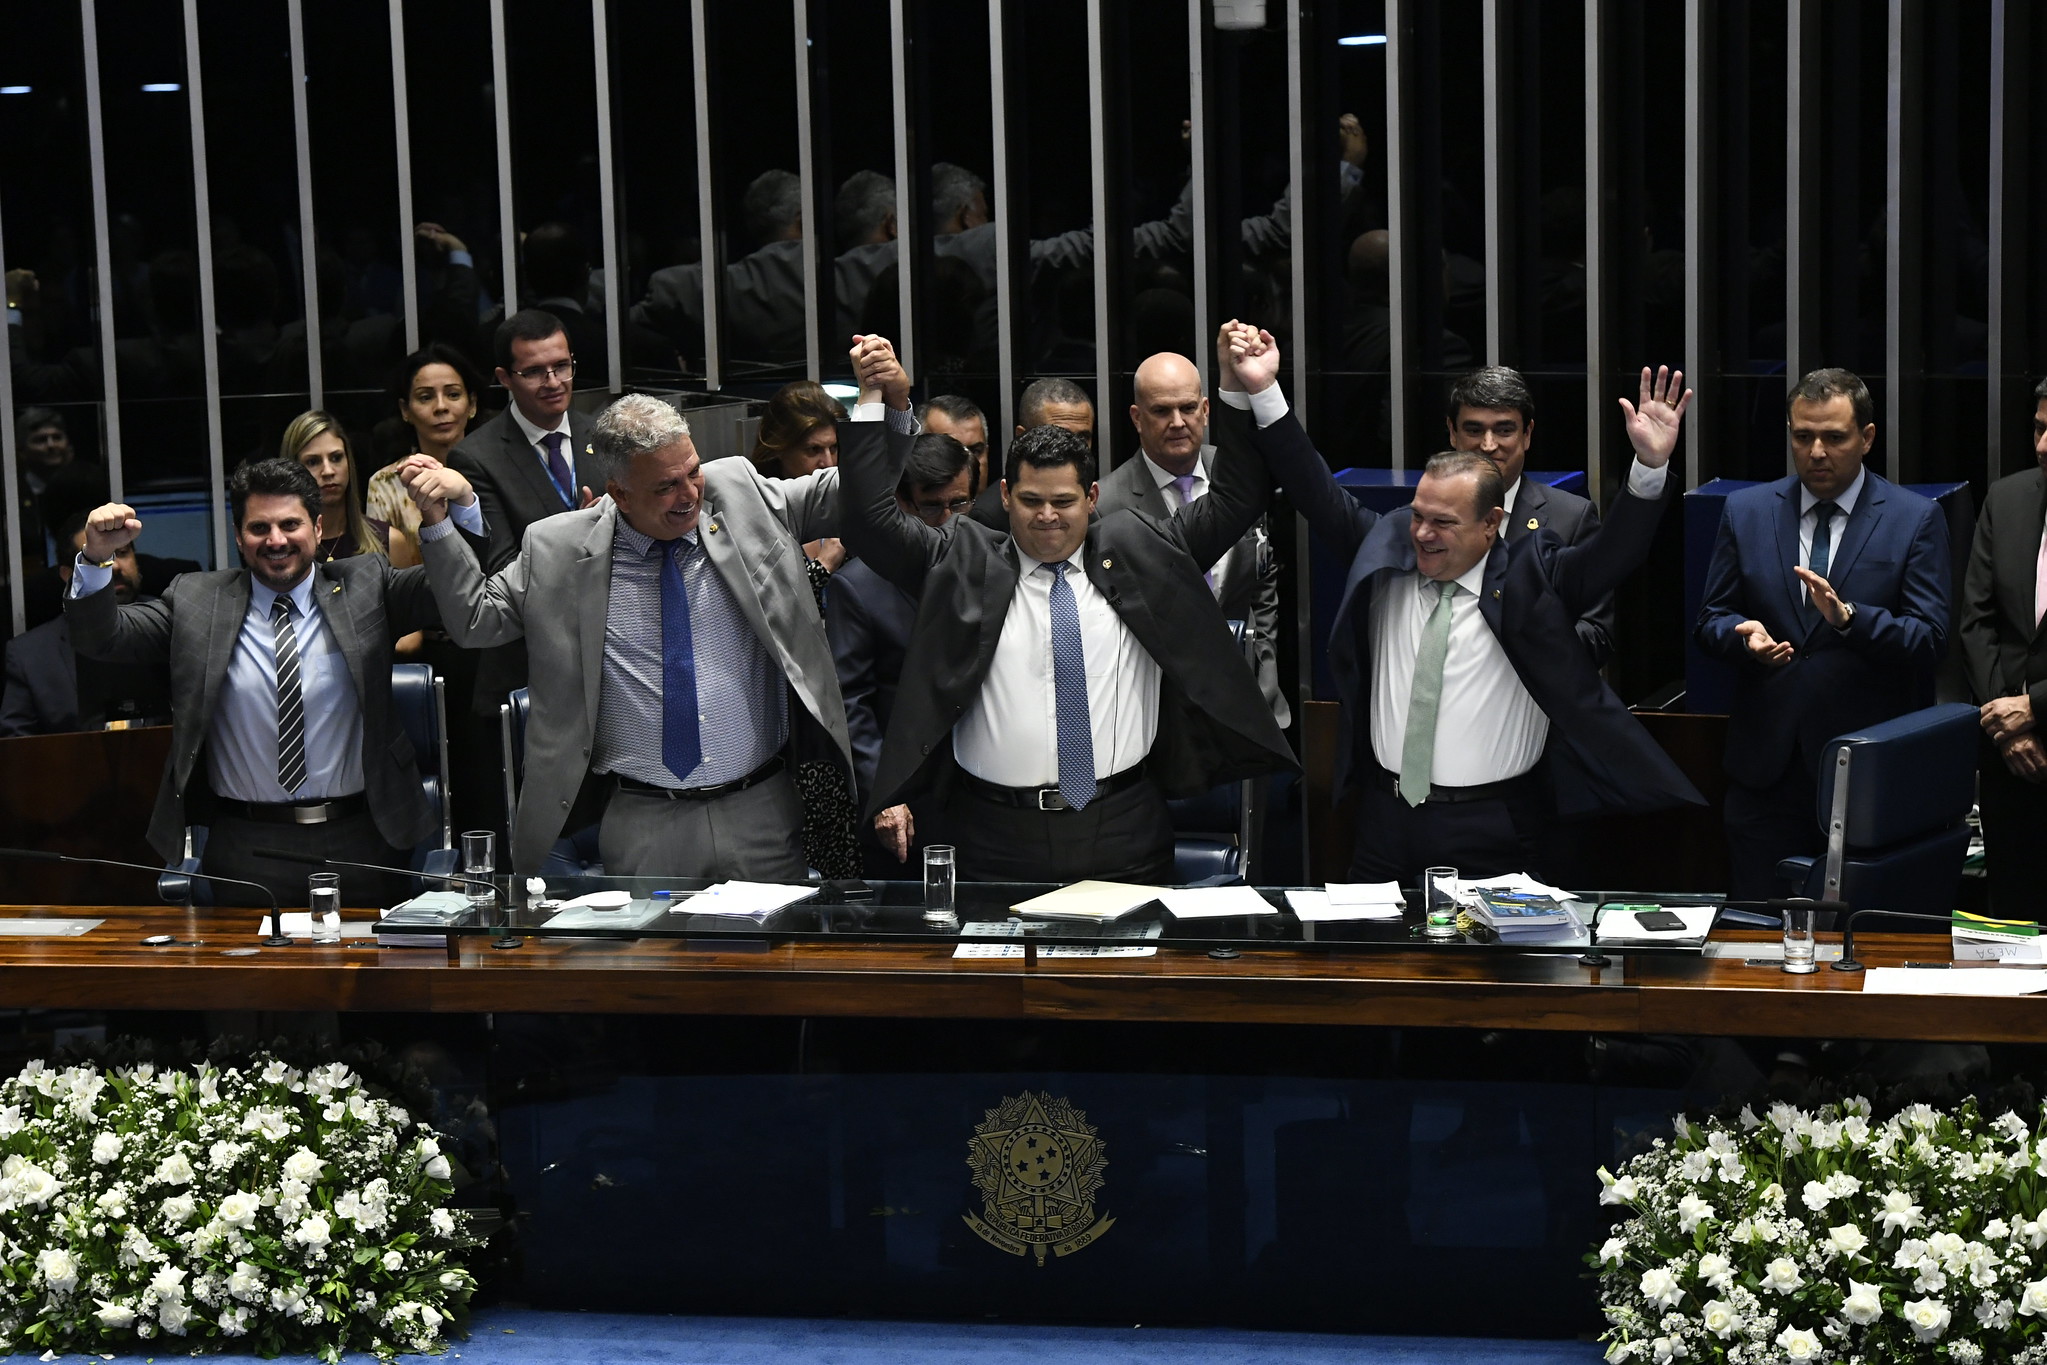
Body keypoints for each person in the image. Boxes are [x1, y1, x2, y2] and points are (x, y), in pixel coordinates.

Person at [1218, 322, 1699, 884]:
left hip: (1498, 827)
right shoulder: (1387, 547)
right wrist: (1263, 390)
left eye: (1443, 523)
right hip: (1383, 817)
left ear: (1492, 524)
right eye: (1419, 515)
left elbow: (1614, 556)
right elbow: (1311, 485)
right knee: (1372, 967)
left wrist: (1648, 470)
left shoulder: (1532, 577)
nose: (1422, 534)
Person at [840, 335, 1295, 884]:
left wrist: (1241, 387)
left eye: (1064, 502)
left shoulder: (1146, 551)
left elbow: (1237, 496)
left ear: (1094, 497)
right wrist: (872, 401)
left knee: (1131, 973)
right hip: (992, 832)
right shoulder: (960, 561)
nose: (1047, 517)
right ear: (1006, 495)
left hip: (1125, 823)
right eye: (1031, 501)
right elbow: (869, 521)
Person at [407, 392, 861, 880]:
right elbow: (475, 619)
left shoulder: (740, 492)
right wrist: (438, 522)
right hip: (644, 820)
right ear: (619, 494)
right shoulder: (558, 547)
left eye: (692, 471)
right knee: (650, 957)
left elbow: (857, 492)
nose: (688, 494)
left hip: (762, 810)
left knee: (767, 957)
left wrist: (888, 407)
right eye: (665, 486)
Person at [64, 458, 484, 906]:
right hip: (246, 845)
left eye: (290, 524)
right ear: (239, 536)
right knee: (253, 975)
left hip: (362, 838)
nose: (276, 540)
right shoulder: (196, 600)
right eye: (259, 528)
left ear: (318, 529)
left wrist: (453, 510)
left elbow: (455, 595)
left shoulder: (367, 585)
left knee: (365, 974)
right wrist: (94, 559)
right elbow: (100, 640)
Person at [1695, 367, 1951, 902]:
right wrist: (1744, 640)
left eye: (1834, 437)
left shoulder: (1914, 519)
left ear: (1867, 438)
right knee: (1759, 942)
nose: (1816, 451)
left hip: (1868, 772)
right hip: (1768, 768)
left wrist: (1851, 619)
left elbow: (1930, 639)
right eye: (1802, 435)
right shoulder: (1746, 512)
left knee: (1863, 941)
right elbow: (1711, 619)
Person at [1098, 351, 1288, 726]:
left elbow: (1261, 582)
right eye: (1161, 411)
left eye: (1187, 408)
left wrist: (1262, 667)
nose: (1177, 422)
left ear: (1205, 410)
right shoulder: (1108, 504)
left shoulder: (1240, 480)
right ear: (1137, 418)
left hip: (1249, 703)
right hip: (1161, 715)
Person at [827, 432, 976, 875]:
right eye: (934, 507)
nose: (949, 521)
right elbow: (848, 705)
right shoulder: (857, 586)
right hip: (907, 801)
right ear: (902, 504)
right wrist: (884, 796)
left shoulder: (991, 566)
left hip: (983, 791)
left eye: (961, 503)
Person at [448, 308, 600, 722]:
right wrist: (587, 536)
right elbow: (504, 571)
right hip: (529, 671)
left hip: (611, 661)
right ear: (504, 378)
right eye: (534, 372)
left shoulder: (603, 436)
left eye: (561, 366)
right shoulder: (475, 458)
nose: (553, 383)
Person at [749, 380, 859, 878]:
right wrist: (819, 571)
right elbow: (766, 621)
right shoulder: (757, 524)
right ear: (779, 452)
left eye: (835, 448)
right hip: (789, 717)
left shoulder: (851, 517)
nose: (827, 462)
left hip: (852, 697)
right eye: (812, 450)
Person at [1444, 366, 1613, 665]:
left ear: (1527, 435)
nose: (1488, 445)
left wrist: (1530, 634)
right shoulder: (1422, 520)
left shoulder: (1570, 519)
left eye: (1504, 430)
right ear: (1452, 433)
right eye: (1473, 430)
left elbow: (1598, 636)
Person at [1958, 376, 2047, 920]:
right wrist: (2004, 722)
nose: (2043, 446)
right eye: (2039, 428)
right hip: (2013, 761)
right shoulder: (2008, 497)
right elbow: (1977, 621)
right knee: (2011, 914)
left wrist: (2035, 705)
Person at [0, 513, 169, 736]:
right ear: (67, 575)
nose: (115, 567)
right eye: (100, 560)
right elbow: (17, 752)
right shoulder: (28, 656)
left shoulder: (173, 624)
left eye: (122, 553)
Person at [367, 344, 485, 561]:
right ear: (405, 410)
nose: (441, 407)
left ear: (472, 405)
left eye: (453, 394)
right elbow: (381, 571)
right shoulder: (385, 483)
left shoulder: (494, 469)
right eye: (425, 397)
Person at [279, 411, 399, 564]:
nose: (328, 471)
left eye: (336, 458)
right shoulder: (280, 548)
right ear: (293, 469)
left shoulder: (388, 541)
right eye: (313, 462)